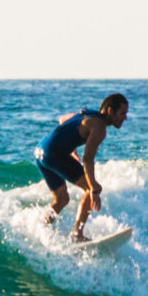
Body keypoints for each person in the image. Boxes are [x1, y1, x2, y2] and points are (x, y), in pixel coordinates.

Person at [37, 92, 129, 242]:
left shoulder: (87, 113)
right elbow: (87, 159)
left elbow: (63, 120)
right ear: (110, 111)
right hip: (54, 153)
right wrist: (93, 188)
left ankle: (41, 226)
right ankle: (77, 234)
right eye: (123, 113)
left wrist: (72, 149)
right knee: (91, 188)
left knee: (61, 199)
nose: (125, 117)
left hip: (40, 151)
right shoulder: (99, 127)